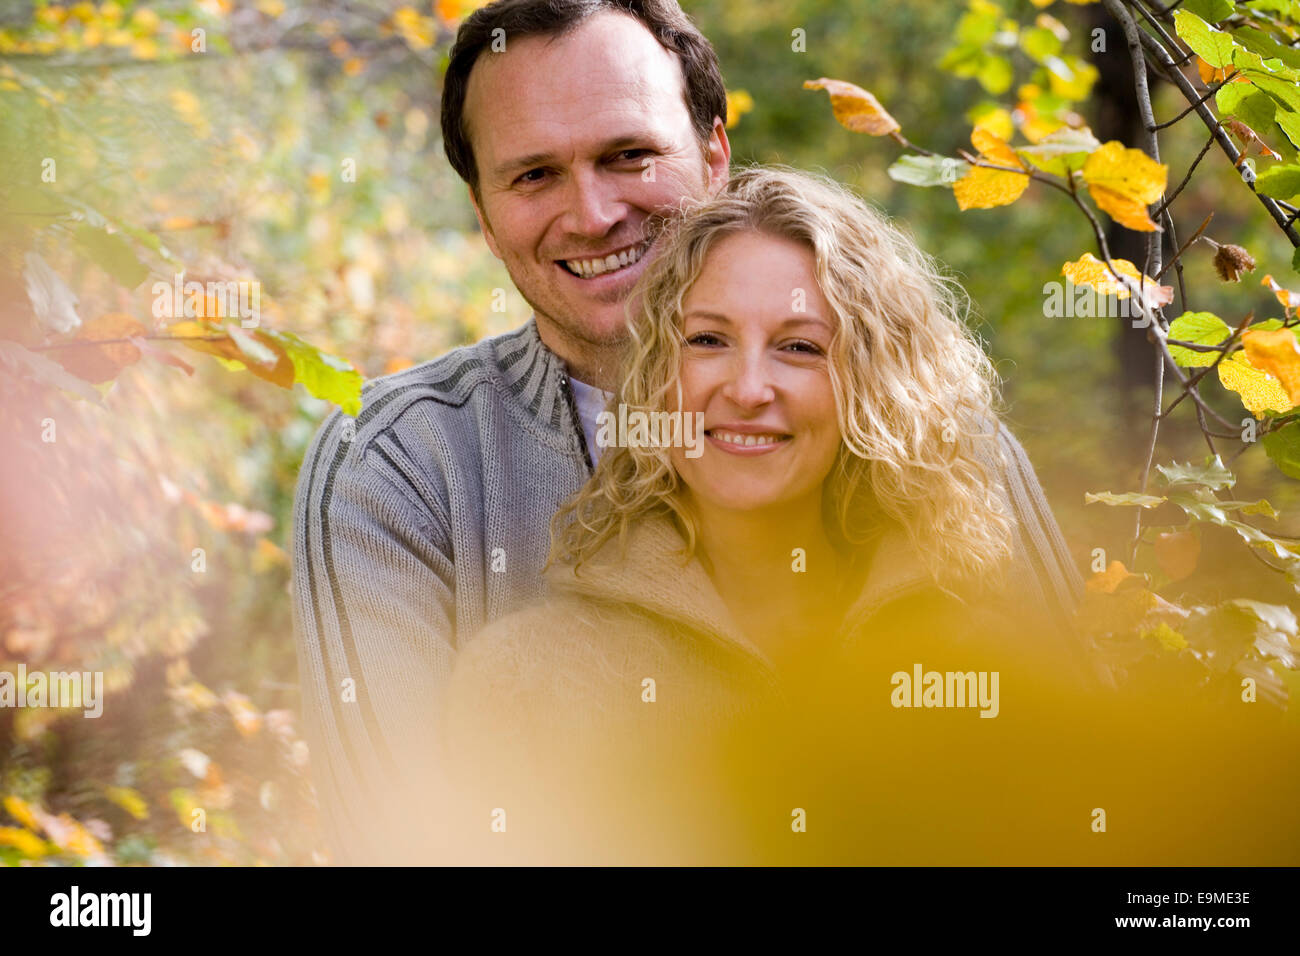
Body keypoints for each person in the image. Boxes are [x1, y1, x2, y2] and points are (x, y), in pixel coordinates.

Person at [290, 0, 1078, 865]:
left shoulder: (923, 429)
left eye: (628, 155)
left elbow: (1086, 787)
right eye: (533, 176)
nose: (591, 215)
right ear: (482, 212)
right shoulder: (400, 464)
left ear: (713, 152)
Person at [437, 166, 1093, 864]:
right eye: (708, 340)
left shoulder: (983, 662)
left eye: (799, 347)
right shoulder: (524, 681)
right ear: (660, 373)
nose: (748, 389)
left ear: (869, 388)